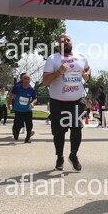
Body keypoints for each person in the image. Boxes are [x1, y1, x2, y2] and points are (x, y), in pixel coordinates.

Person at [42, 34, 90, 171]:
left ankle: (73, 155)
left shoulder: (81, 57)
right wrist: (59, 72)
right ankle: (60, 157)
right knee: (59, 132)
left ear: (71, 42)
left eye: (67, 40)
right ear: (59, 44)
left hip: (76, 101)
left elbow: (88, 69)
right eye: (62, 41)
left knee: (77, 128)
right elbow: (45, 81)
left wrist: (86, 75)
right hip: (58, 102)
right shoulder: (52, 59)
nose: (65, 42)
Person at [8, 74, 37, 143]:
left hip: (27, 109)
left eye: (28, 79)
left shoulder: (31, 89)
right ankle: (16, 133)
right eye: (25, 79)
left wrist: (32, 103)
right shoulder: (17, 87)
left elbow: (35, 98)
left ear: (30, 80)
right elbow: (11, 95)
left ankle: (27, 138)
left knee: (29, 124)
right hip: (18, 109)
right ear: (22, 80)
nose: (27, 81)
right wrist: (10, 103)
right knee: (19, 123)